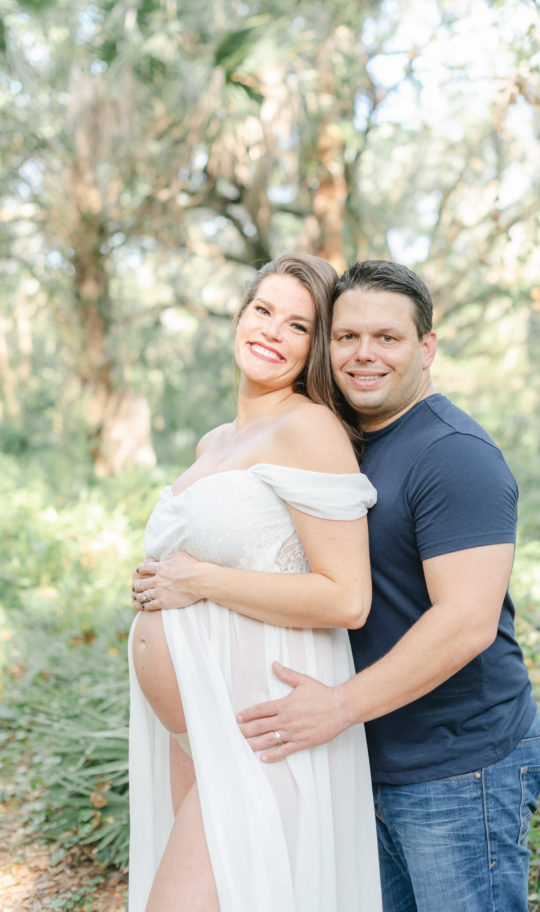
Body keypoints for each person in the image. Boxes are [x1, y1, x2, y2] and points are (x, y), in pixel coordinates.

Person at [237, 259, 540, 912]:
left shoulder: (455, 454)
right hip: (364, 763)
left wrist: (339, 707)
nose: (363, 355)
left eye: (387, 338)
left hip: (457, 768)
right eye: (346, 337)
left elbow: (465, 622)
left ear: (426, 347)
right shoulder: (342, 441)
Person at [128, 254, 382, 912]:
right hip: (194, 730)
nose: (272, 331)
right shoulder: (215, 442)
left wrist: (202, 579)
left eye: (298, 326)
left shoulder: (310, 428)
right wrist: (162, 580)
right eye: (263, 310)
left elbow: (346, 597)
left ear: (315, 348)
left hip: (256, 729)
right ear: (240, 316)